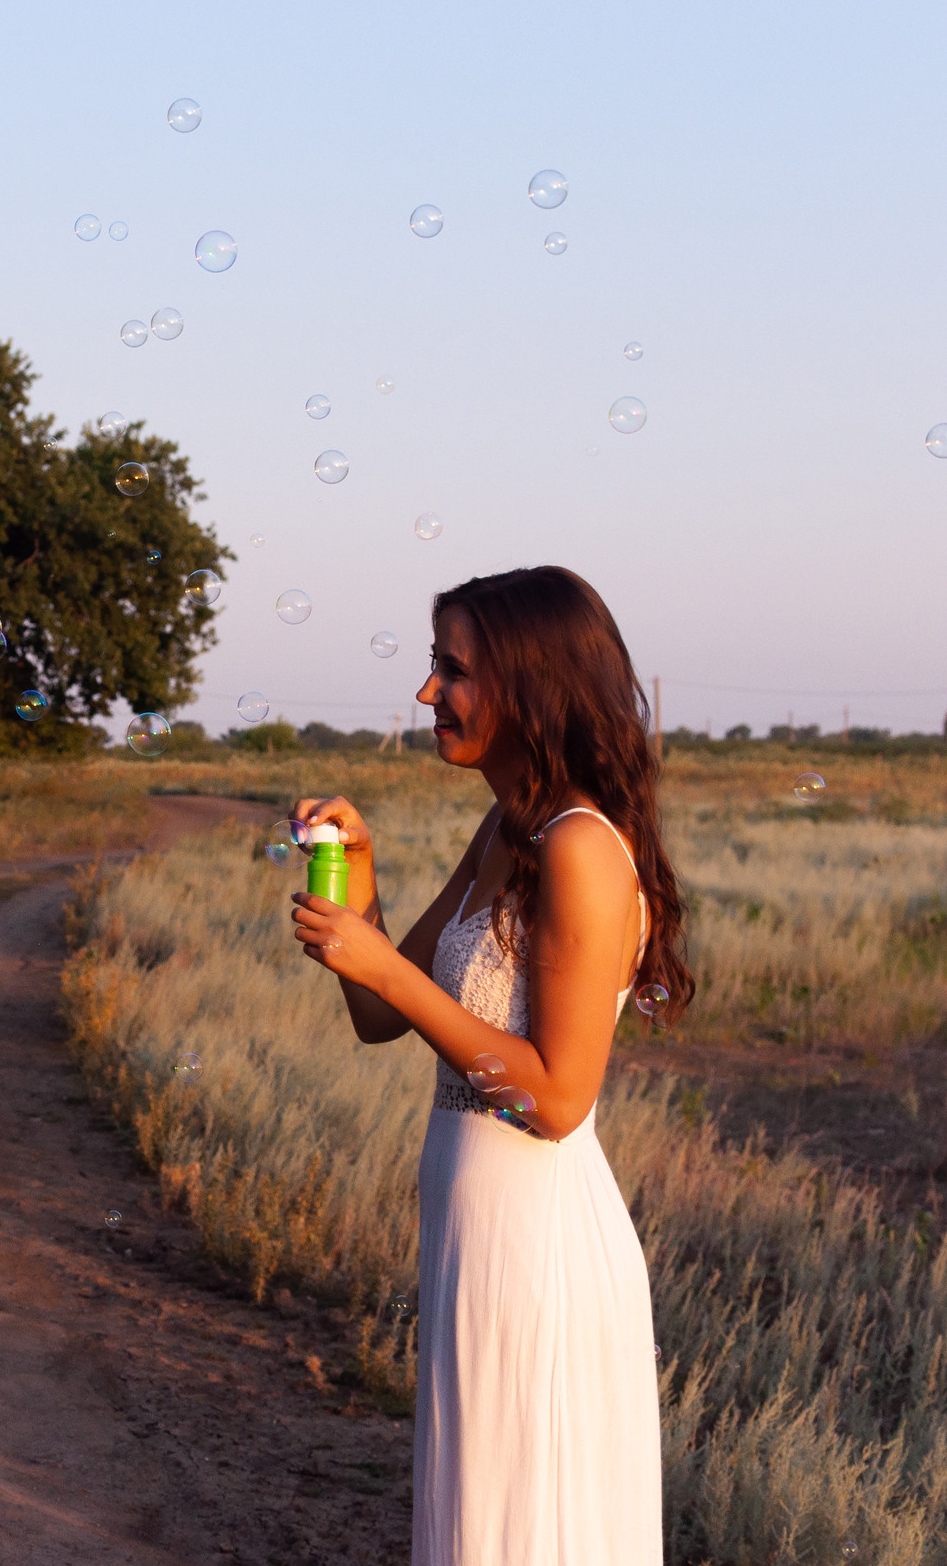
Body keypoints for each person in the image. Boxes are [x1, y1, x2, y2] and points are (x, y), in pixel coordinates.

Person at [286, 566, 688, 1565]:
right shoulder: (507, 829)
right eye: (434, 665)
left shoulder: (581, 848)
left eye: (453, 670)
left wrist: (389, 968)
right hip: (476, 1245)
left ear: (531, 684)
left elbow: (555, 1099)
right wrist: (362, 879)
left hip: (538, 1254)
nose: (429, 694)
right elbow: (380, 1013)